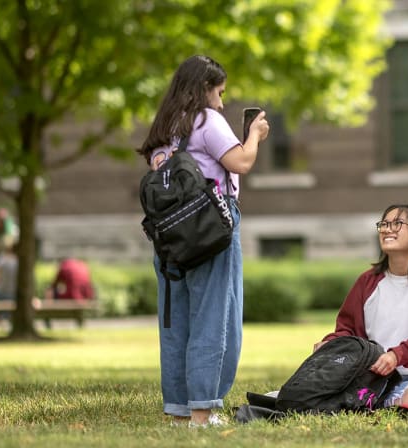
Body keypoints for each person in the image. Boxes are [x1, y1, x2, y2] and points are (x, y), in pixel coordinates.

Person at [137, 54, 269, 428]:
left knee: (175, 320)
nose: (222, 102)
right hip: (209, 225)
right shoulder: (207, 121)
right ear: (204, 88)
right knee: (215, 316)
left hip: (169, 233)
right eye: (219, 93)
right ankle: (202, 411)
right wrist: (255, 135)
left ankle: (180, 411)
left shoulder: (165, 128)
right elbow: (240, 162)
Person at [316, 204, 408, 412]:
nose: (387, 229)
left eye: (398, 223)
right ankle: (374, 402)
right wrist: (329, 343)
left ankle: (373, 404)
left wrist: (396, 355)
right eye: (384, 224)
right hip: (370, 377)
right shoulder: (367, 281)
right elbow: (347, 329)